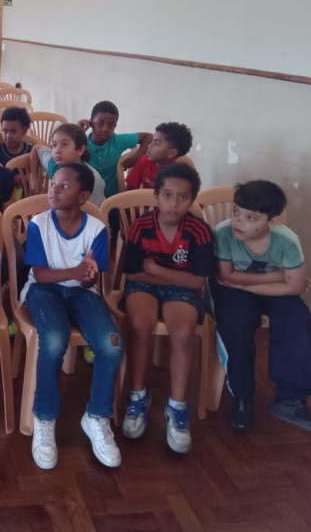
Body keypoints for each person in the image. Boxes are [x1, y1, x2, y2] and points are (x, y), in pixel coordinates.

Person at [22, 163, 122, 470]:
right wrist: (75, 272)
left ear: (83, 196)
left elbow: (91, 281)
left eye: (64, 186)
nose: (54, 189)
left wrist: (87, 277)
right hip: (43, 290)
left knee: (111, 342)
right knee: (53, 340)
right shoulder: (39, 224)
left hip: (81, 293)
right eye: (53, 183)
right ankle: (45, 418)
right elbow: (40, 274)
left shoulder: (96, 229)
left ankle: (97, 416)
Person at [211, 180, 311, 433]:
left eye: (250, 218)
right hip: (234, 290)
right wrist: (281, 275)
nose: (238, 221)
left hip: (259, 288)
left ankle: (291, 400)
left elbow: (294, 288)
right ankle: (242, 397)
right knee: (238, 321)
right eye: (236, 212)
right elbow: (226, 276)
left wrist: (248, 285)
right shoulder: (223, 233)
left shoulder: (287, 241)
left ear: (272, 222)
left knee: (297, 318)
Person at [121, 163, 214, 454]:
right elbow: (132, 273)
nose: (174, 203)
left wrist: (156, 269)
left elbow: (197, 280)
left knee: (184, 333)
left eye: (183, 197)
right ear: (156, 197)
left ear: (192, 199)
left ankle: (177, 406)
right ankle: (138, 396)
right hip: (143, 285)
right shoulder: (141, 226)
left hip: (179, 289)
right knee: (139, 324)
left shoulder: (199, 231)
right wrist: (165, 275)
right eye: (168, 195)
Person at [78, 100, 151, 199]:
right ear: (91, 123)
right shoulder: (82, 143)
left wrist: (136, 157)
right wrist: (77, 129)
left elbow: (149, 137)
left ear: (115, 126)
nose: (105, 129)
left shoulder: (117, 141)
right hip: (88, 196)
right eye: (100, 123)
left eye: (111, 125)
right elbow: (62, 149)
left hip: (112, 196)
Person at [29, 124, 106, 206]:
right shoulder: (54, 165)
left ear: (80, 150)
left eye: (64, 144)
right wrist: (33, 175)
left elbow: (95, 210)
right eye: (54, 145)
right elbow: (36, 148)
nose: (57, 150)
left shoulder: (93, 180)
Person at [126, 122, 193, 190]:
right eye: (152, 141)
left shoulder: (181, 176)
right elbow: (129, 192)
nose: (149, 146)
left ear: (171, 153)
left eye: (156, 143)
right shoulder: (145, 160)